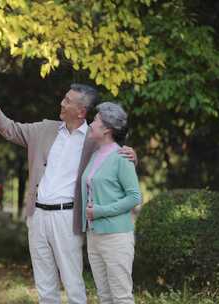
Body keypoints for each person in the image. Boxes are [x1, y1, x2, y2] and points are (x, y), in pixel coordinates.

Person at [0, 76, 136, 304]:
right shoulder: (44, 130)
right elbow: (9, 129)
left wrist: (131, 154)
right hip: (37, 215)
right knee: (45, 285)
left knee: (72, 283)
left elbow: (115, 159)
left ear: (81, 111)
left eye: (67, 100)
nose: (61, 103)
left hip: (67, 218)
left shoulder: (94, 141)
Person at [82, 102, 141, 304]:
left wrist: (99, 211)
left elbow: (134, 197)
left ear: (107, 128)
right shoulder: (96, 154)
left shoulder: (122, 156)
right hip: (94, 235)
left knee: (121, 296)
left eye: (96, 120)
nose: (91, 123)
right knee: (104, 296)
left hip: (116, 236)